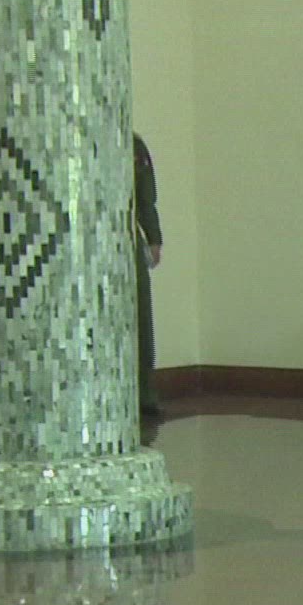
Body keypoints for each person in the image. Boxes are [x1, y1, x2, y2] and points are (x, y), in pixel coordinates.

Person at [131, 133, 164, 417]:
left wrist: (154, 238)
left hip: (127, 237)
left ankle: (144, 395)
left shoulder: (131, 144)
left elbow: (145, 198)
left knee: (140, 318)